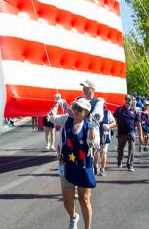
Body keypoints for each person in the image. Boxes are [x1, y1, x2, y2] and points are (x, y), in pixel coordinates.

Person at [57, 98, 96, 229]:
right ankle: (73, 217)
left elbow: (92, 143)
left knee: (84, 199)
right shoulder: (66, 119)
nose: (76, 111)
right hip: (66, 164)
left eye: (80, 109)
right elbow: (50, 118)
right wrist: (58, 103)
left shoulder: (90, 125)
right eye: (75, 108)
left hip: (83, 165)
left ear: (86, 113)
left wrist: (91, 129)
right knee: (66, 198)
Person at [113, 95, 143, 171]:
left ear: (132, 101)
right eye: (126, 99)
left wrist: (141, 135)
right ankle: (119, 161)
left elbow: (138, 123)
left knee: (131, 149)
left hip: (131, 133)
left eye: (129, 100)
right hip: (121, 133)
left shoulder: (135, 111)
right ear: (125, 100)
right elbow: (114, 121)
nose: (128, 101)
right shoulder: (119, 109)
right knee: (120, 149)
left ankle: (130, 165)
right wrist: (115, 131)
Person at [97, 103, 116, 176]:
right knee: (95, 152)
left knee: (103, 152)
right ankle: (95, 166)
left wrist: (108, 126)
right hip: (95, 135)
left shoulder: (107, 113)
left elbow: (114, 123)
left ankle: (102, 169)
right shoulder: (94, 112)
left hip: (105, 135)